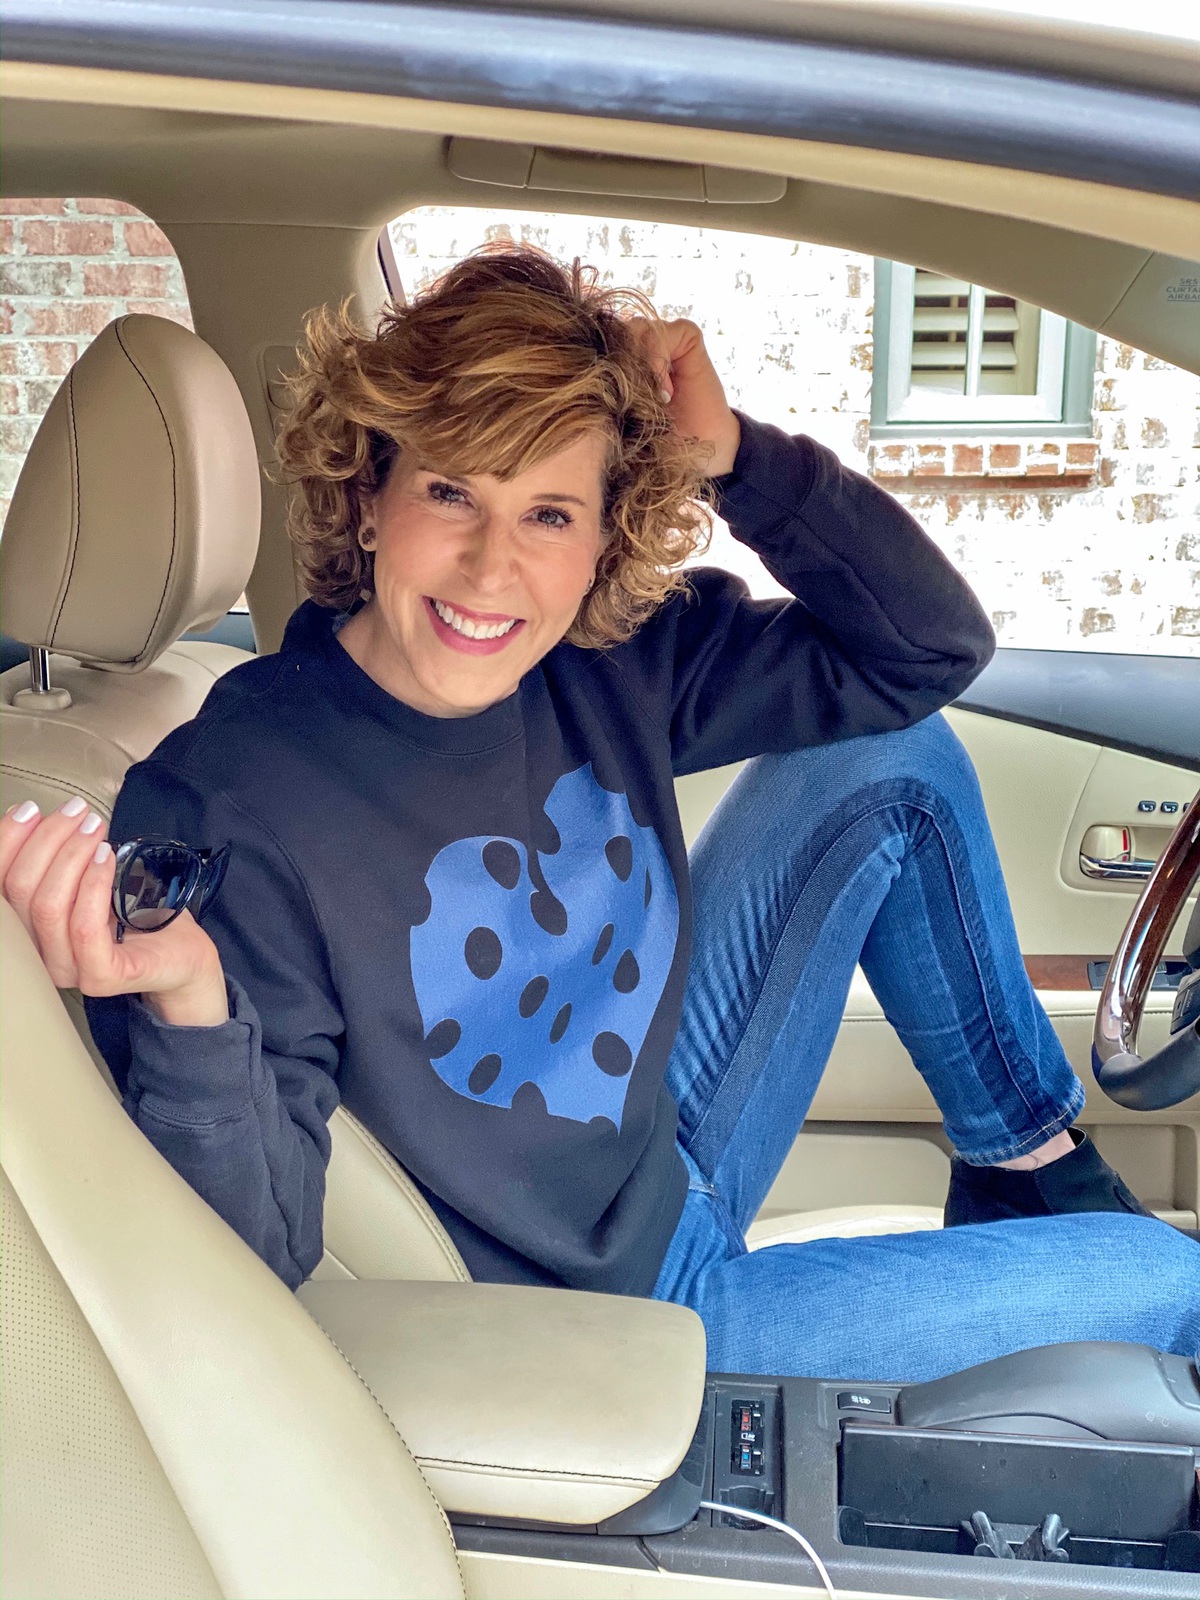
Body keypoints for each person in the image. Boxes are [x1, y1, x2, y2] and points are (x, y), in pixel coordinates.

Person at [2, 248, 1195, 1382]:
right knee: (1172, 1282)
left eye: (550, 515)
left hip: (657, 1153)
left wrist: (735, 458)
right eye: (450, 491)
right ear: (369, 498)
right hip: (613, 1320)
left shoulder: (600, 659)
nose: (490, 569)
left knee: (891, 757)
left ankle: (1027, 1167)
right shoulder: (233, 795)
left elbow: (927, 652)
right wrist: (188, 997)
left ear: (603, 538)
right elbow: (249, 1252)